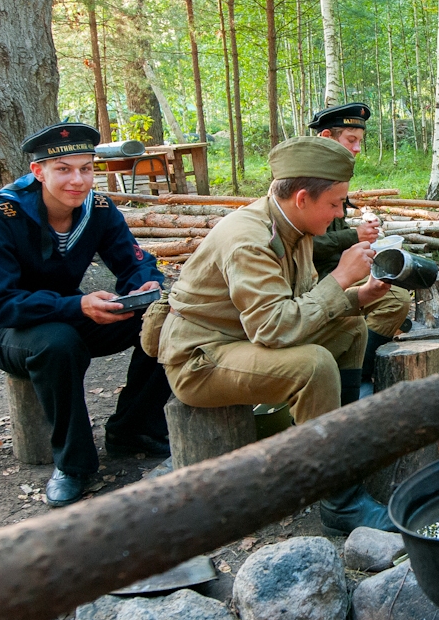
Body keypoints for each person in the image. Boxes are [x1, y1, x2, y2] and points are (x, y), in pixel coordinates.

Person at [156, 135, 396, 535]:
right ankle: (340, 503)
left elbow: (301, 304)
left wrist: (359, 295)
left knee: (352, 328)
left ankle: (340, 445)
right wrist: (339, 279)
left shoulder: (292, 226)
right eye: (335, 204)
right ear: (302, 198)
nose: (341, 214)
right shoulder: (249, 239)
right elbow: (273, 329)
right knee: (313, 366)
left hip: (243, 341)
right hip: (200, 358)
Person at [0, 122, 172, 507]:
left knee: (163, 320)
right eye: (63, 169)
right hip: (9, 328)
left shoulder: (96, 208)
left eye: (86, 168)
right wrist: (76, 306)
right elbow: (3, 303)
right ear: (38, 172)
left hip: (68, 313)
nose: (77, 180)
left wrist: (144, 285)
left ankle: (134, 428)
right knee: (58, 343)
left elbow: (132, 261)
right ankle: (73, 464)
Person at [309, 103, 414, 393]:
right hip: (312, 281)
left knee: (397, 287)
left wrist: (362, 232)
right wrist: (353, 237)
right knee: (393, 300)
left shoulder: (330, 175)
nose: (356, 149)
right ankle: (356, 376)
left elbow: (332, 230)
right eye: (350, 140)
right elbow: (303, 246)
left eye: (359, 142)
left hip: (331, 270)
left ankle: (357, 372)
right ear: (327, 137)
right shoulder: (305, 180)